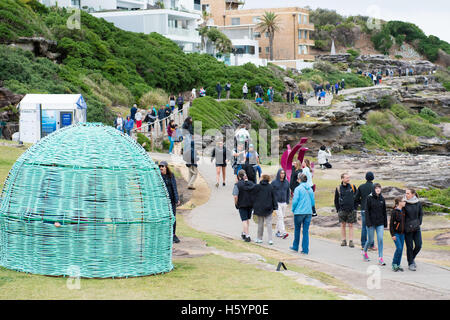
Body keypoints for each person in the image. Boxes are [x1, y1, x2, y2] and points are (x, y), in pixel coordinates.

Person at [362, 183, 387, 266]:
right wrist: (368, 223)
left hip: (380, 223)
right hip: (371, 223)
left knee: (380, 239)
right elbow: (367, 211)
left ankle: (380, 258)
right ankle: (364, 252)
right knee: (370, 240)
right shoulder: (369, 198)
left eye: (379, 188)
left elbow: (384, 212)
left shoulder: (382, 199)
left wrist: (385, 223)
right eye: (376, 188)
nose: (378, 189)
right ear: (373, 189)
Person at [290, 174, 315, 254]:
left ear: (299, 180)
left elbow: (295, 201)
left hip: (299, 212)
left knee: (297, 229)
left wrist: (293, 209)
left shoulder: (298, 189)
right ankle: (305, 249)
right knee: (305, 231)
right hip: (308, 212)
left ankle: (295, 246)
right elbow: (313, 201)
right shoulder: (310, 189)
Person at [251, 174, 278, 245]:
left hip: (259, 207)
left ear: (262, 178)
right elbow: (273, 197)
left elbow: (253, 196)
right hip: (269, 208)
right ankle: (270, 239)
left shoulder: (257, 186)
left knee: (260, 223)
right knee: (269, 224)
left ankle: (259, 238)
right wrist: (275, 207)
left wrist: (253, 206)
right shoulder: (271, 187)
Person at [159, 161, 181, 243]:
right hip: (163, 201)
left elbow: (174, 187)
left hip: (171, 200)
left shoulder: (171, 176)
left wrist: (177, 199)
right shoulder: (159, 176)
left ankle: (173, 235)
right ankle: (165, 235)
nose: (161, 168)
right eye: (160, 166)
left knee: (173, 217)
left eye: (162, 166)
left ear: (166, 167)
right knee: (164, 217)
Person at [334, 173, 357, 248]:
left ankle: (351, 241)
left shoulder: (353, 187)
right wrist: (338, 210)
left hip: (351, 210)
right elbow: (336, 200)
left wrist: (355, 207)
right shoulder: (338, 188)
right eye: (346, 178)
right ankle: (343, 240)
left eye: (349, 177)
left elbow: (356, 198)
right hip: (342, 210)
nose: (348, 179)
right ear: (342, 179)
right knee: (343, 225)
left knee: (351, 225)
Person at [355, 172, 376, 250]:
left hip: (364, 209)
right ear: (373, 178)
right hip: (373, 210)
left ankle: (363, 244)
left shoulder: (361, 186)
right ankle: (371, 244)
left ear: (365, 178)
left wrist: (362, 203)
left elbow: (356, 198)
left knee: (364, 227)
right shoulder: (374, 187)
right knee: (372, 227)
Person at [403, 188, 423, 271]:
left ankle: (411, 258)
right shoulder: (404, 203)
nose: (406, 195)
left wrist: (419, 223)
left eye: (408, 193)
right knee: (409, 246)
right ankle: (410, 263)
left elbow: (421, 214)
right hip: (407, 229)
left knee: (419, 245)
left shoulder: (418, 203)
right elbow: (402, 216)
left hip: (416, 227)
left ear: (413, 194)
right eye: (406, 193)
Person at [233, 169, 254, 242]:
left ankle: (247, 236)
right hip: (250, 204)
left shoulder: (237, 185)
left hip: (242, 204)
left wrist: (236, 203)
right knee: (247, 220)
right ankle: (244, 233)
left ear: (238, 176)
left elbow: (235, 196)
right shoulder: (251, 183)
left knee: (244, 220)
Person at [271, 169, 290, 239]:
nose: (282, 174)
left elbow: (288, 191)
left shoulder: (286, 182)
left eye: (283, 173)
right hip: (277, 203)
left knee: (281, 218)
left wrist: (287, 201)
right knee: (280, 217)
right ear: (278, 174)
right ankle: (283, 232)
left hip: (284, 203)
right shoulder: (274, 183)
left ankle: (277, 231)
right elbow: (270, 193)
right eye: (281, 173)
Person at [390, 196, 406, 272]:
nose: (405, 202)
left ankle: (398, 264)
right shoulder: (394, 212)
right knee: (399, 248)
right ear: (399, 202)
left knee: (401, 249)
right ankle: (394, 264)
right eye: (403, 201)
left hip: (403, 234)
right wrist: (393, 235)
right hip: (396, 234)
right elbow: (391, 225)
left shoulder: (403, 211)